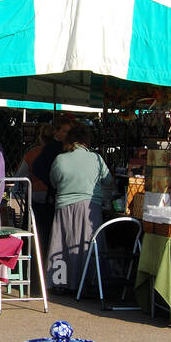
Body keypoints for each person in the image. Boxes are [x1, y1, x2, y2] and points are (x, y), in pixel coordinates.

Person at [47, 123, 114, 294]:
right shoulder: (96, 158)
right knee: (89, 246)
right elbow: (108, 180)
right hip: (90, 208)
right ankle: (91, 282)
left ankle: (60, 282)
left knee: (61, 246)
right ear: (86, 141)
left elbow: (54, 182)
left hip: (64, 207)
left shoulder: (60, 159)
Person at [30, 117, 72, 249]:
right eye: (65, 131)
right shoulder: (52, 148)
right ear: (57, 132)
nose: (67, 135)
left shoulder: (67, 148)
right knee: (49, 232)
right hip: (52, 197)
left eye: (69, 132)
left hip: (55, 196)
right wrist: (51, 182)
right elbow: (37, 168)